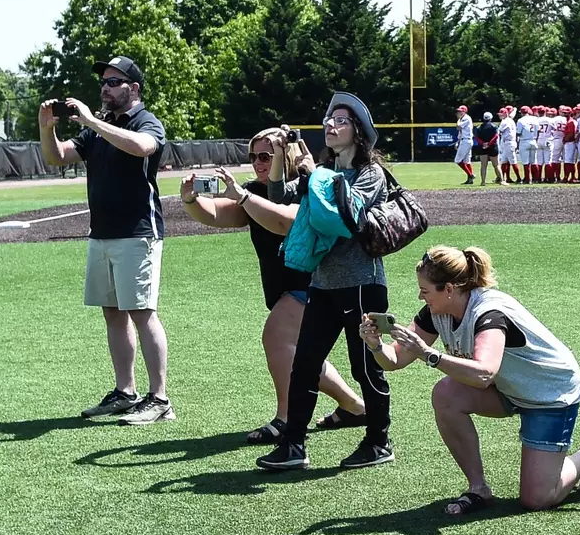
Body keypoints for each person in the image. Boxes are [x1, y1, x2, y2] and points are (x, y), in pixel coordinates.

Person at [360, 246, 580, 513]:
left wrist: (429, 354)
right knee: (445, 395)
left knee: (536, 500)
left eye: (425, 290)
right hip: (507, 387)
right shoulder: (436, 312)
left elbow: (483, 373)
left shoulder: (489, 313)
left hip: (548, 392)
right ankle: (478, 488)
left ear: (449, 289)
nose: (420, 296)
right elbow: (395, 360)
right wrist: (375, 345)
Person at [178, 127, 368, 442]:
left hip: (314, 283)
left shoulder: (307, 185)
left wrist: (244, 197)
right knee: (300, 353)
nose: (257, 162)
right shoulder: (254, 189)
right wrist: (191, 200)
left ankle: (287, 418)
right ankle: (354, 406)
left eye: (265, 155)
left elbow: (285, 221)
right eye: (253, 156)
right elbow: (217, 215)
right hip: (289, 287)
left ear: (284, 154)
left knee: (277, 338)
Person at [256, 93, 396, 472]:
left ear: (359, 133)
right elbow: (281, 197)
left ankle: (379, 440)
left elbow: (347, 217)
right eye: (328, 120)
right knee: (304, 365)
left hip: (363, 284)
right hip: (323, 284)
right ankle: (293, 446)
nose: (330, 126)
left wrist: (314, 174)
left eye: (341, 121)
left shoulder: (371, 174)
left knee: (365, 366)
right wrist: (281, 161)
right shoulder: (323, 169)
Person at [40, 55, 174, 425]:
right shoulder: (99, 128)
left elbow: (143, 147)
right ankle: (124, 392)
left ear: (134, 89)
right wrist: (46, 126)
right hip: (101, 233)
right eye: (104, 82)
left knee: (143, 313)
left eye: (114, 82)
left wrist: (90, 120)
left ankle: (160, 399)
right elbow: (57, 157)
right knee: (113, 314)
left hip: (137, 234)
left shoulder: (145, 121)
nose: (105, 88)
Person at [474, 111, 500, 185]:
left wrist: (483, 144)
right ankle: (501, 180)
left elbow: (476, 137)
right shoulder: (494, 126)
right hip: (492, 146)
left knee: (483, 165)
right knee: (496, 165)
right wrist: (489, 144)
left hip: (482, 147)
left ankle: (483, 181)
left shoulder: (479, 127)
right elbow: (496, 136)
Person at [517, 106, 541, 184]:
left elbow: (518, 133)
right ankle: (536, 179)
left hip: (524, 141)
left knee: (526, 162)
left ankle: (527, 179)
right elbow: (538, 130)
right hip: (533, 140)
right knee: (534, 161)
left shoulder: (520, 120)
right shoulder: (535, 119)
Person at [453, 105, 475, 185]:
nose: (458, 113)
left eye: (460, 111)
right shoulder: (463, 118)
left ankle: (470, 175)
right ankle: (470, 179)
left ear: (464, 111)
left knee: (457, 160)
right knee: (467, 161)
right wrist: (458, 142)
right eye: (458, 111)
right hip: (465, 140)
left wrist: (458, 119)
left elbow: (458, 127)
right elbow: (460, 132)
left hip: (466, 141)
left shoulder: (466, 118)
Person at [497, 106, 518, 184]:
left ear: (506, 113)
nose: (500, 115)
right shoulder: (507, 120)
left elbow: (499, 131)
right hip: (506, 142)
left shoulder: (506, 121)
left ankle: (519, 178)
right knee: (504, 161)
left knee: (512, 161)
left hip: (509, 142)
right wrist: (515, 109)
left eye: (501, 114)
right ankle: (504, 178)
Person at [561, 104, 580, 183]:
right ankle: (570, 177)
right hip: (569, 142)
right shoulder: (570, 121)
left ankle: (569, 177)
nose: (565, 114)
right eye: (564, 112)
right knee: (569, 161)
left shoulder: (571, 122)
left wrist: (565, 139)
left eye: (566, 113)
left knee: (568, 161)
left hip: (570, 142)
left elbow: (571, 134)